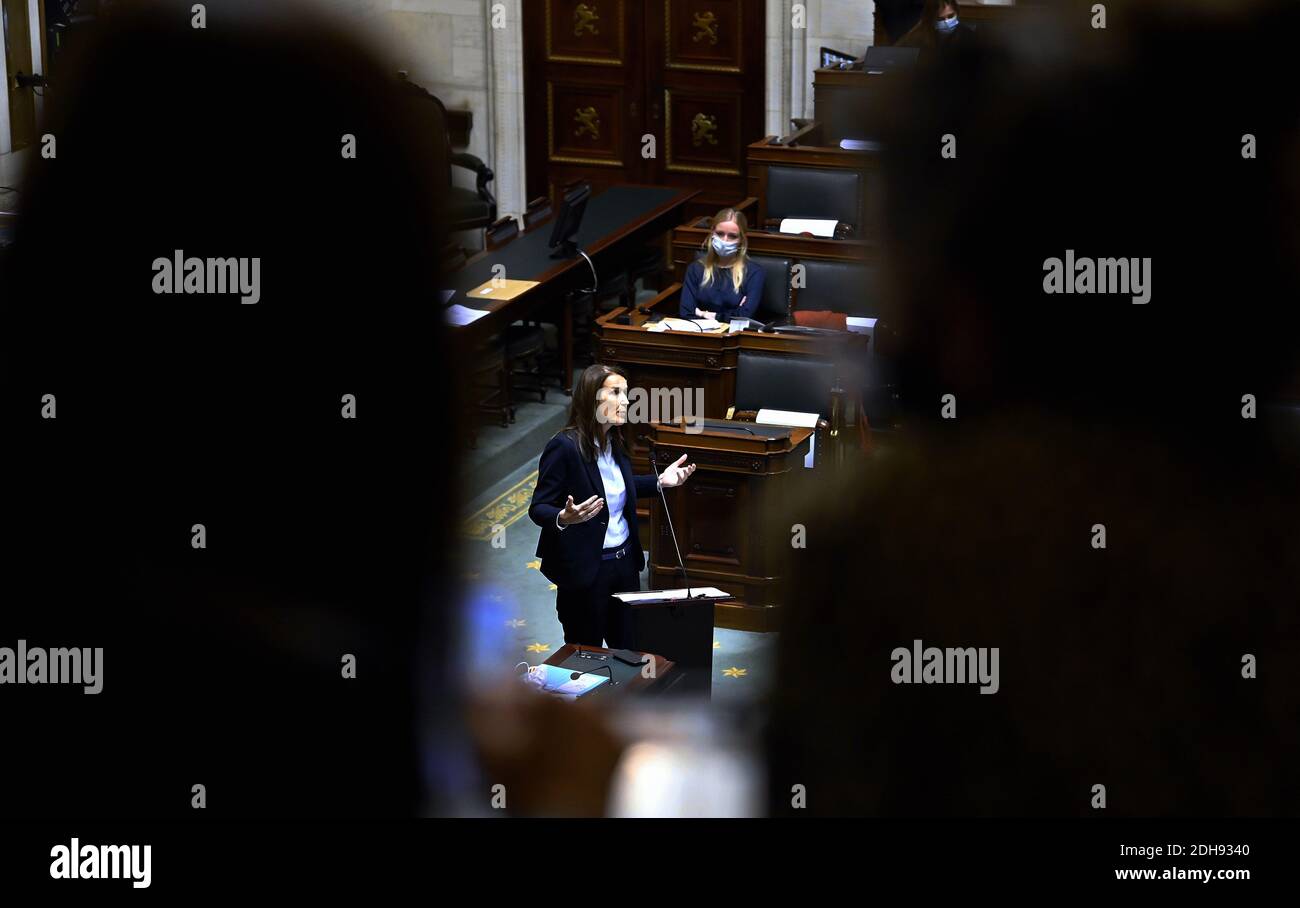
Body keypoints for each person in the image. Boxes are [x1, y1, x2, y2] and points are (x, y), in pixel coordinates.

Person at [529, 364, 697, 647]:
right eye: (616, 392)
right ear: (592, 397)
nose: (625, 401)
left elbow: (618, 487)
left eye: (626, 393)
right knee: (587, 656)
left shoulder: (614, 442)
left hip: (624, 568)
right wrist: (563, 517)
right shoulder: (564, 447)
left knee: (629, 651)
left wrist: (660, 482)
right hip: (586, 574)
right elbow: (538, 507)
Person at [679, 207, 765, 323]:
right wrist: (731, 314)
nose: (725, 240)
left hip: (735, 335)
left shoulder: (754, 272)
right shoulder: (696, 269)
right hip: (699, 334)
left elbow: (745, 316)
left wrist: (703, 314)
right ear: (712, 232)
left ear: (742, 239)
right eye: (720, 234)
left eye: (732, 236)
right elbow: (686, 313)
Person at [898, 0, 976, 55]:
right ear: (930, 19)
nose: (947, 22)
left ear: (957, 13)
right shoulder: (916, 37)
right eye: (940, 19)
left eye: (950, 16)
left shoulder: (968, 35)